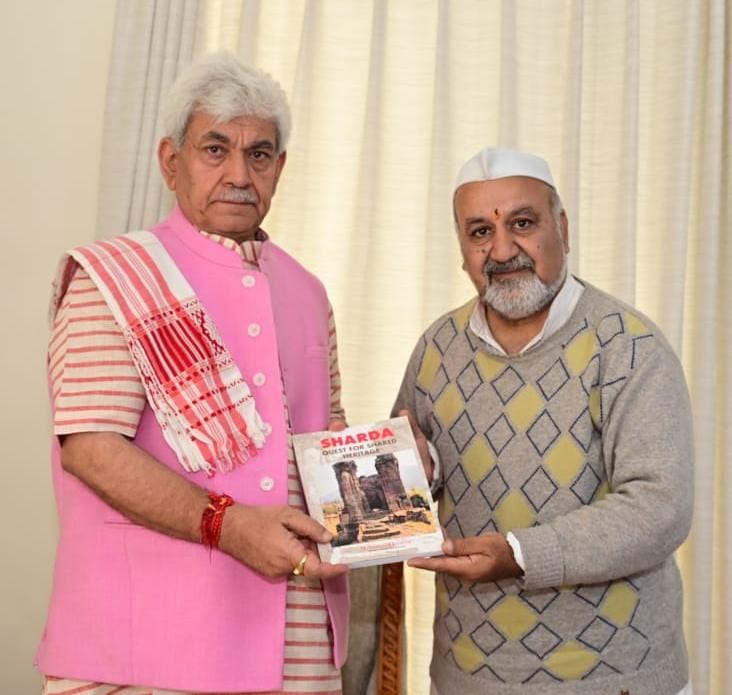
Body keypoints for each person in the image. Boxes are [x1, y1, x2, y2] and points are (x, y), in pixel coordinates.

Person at [37, 53, 350, 695]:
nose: (239, 174)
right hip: (141, 647)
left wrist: (397, 468)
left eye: (260, 154)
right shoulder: (116, 277)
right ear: (170, 161)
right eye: (216, 149)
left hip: (297, 644)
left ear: (280, 167)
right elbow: (90, 448)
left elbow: (323, 441)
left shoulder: (308, 291)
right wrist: (229, 526)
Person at [395, 147, 694, 694]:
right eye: (480, 231)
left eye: (523, 223)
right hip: (466, 680)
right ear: (462, 250)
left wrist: (521, 554)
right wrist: (414, 468)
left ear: (562, 227)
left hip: (615, 682)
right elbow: (410, 486)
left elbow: (660, 507)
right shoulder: (435, 347)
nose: (503, 249)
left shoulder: (630, 347)